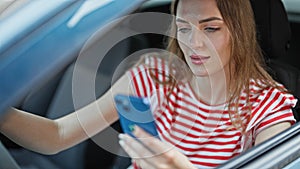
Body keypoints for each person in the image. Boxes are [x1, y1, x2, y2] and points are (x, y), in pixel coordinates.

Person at [0, 0, 297, 168]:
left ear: (240, 31)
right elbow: (57, 135)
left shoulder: (267, 105)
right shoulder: (153, 75)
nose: (193, 43)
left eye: (211, 28)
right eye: (183, 28)